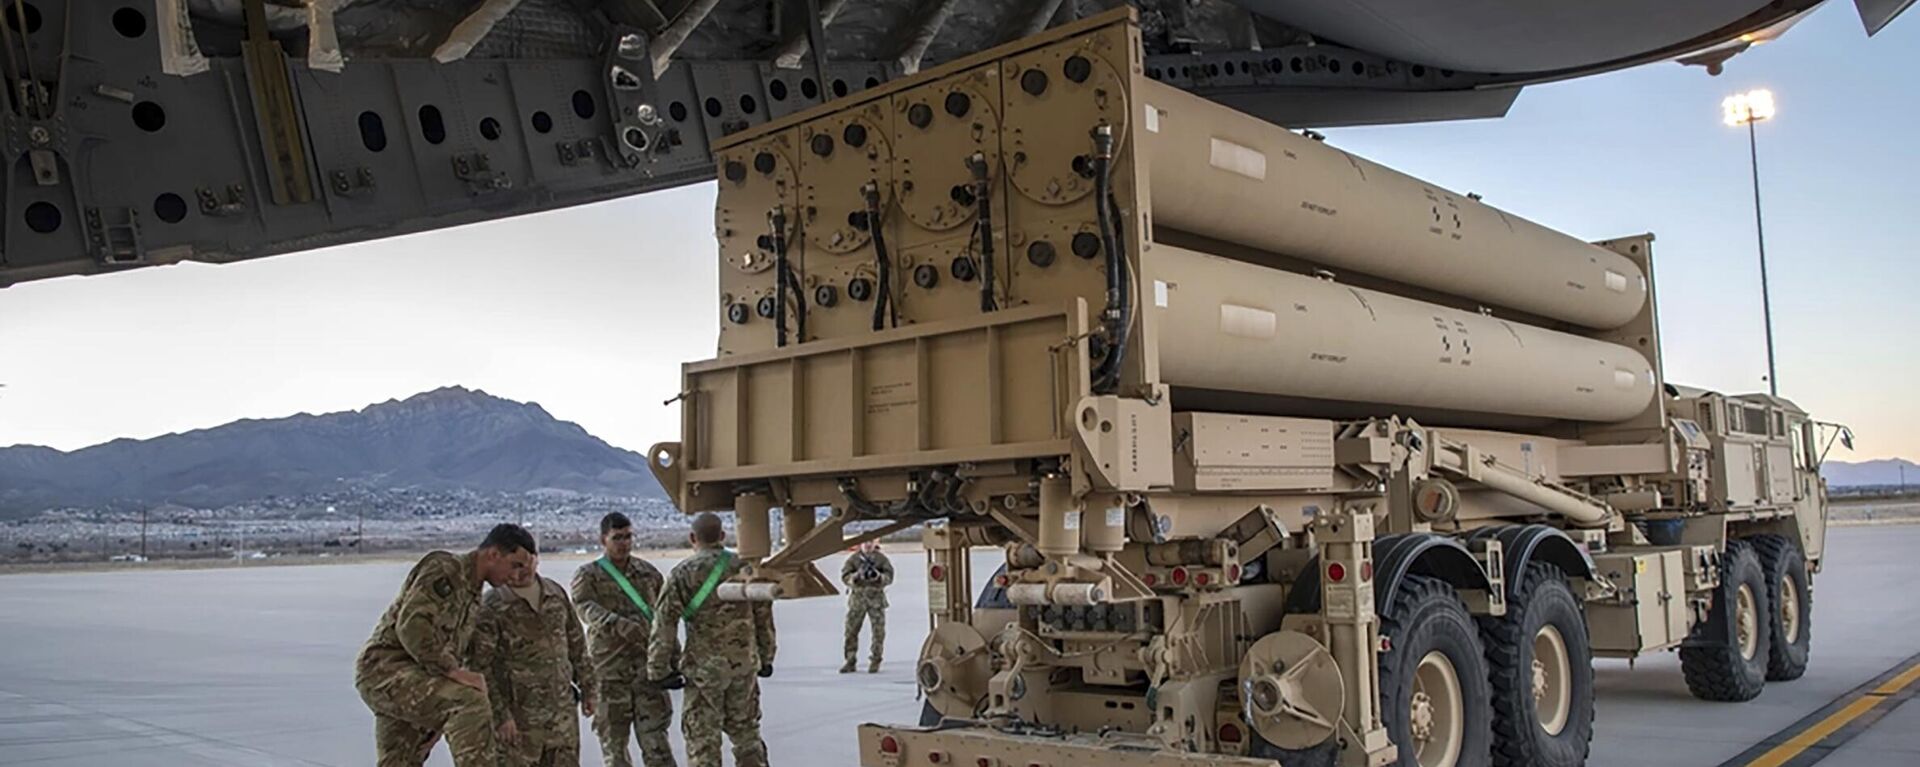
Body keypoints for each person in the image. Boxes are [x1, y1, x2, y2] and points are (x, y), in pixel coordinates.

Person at [354, 523, 536, 767]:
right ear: (493, 554)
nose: (516, 576)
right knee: (468, 700)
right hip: (386, 670)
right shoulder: (446, 569)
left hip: (418, 676)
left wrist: (440, 717)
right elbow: (412, 627)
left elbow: (453, 649)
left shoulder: (472, 595)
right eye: (515, 565)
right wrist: (452, 672)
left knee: (402, 760)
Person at [647, 513, 775, 767]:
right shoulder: (744, 567)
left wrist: (658, 669)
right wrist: (766, 656)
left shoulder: (683, 573)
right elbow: (763, 615)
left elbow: (664, 624)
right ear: (722, 536)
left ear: (693, 538)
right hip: (743, 667)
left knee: (703, 741)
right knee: (747, 734)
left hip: (704, 672)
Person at [572, 512, 677, 767]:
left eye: (628, 537)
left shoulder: (648, 573)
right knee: (615, 748)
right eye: (617, 538)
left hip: (647, 672)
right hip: (609, 673)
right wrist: (614, 623)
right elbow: (583, 606)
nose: (624, 543)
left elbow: (663, 620)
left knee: (657, 745)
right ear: (603, 540)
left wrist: (673, 658)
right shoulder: (589, 575)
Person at [473, 553, 595, 767]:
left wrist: (589, 688)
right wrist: (500, 716)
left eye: (525, 563)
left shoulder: (554, 594)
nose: (520, 571)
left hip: (561, 721)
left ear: (535, 559)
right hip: (519, 724)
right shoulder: (492, 605)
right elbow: (478, 666)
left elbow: (576, 644)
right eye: (514, 565)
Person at [840, 541, 894, 674]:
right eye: (865, 542)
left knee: (878, 632)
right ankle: (850, 660)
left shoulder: (881, 559)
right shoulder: (853, 559)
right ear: (860, 544)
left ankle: (875, 660)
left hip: (876, 599)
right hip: (858, 599)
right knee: (851, 631)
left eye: (871, 542)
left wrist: (879, 577)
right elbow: (845, 576)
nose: (868, 545)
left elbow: (890, 576)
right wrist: (855, 577)